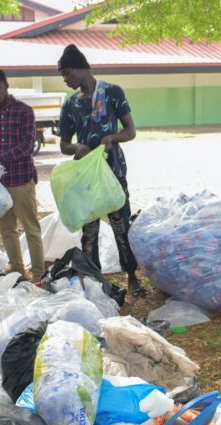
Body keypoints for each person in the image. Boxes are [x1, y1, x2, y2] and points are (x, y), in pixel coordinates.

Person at [57, 44, 145, 296]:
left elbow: (130, 130)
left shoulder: (113, 92)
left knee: (121, 226)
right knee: (89, 231)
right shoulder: (70, 105)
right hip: (86, 176)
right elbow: (63, 144)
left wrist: (113, 138)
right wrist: (75, 147)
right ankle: (94, 282)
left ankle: (132, 276)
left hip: (113, 173)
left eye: (66, 73)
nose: (65, 80)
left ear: (80, 69)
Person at [0, 67, 44, 282]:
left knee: (31, 229)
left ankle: (39, 275)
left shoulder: (24, 111)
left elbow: (27, 147)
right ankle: (17, 271)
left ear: (6, 85)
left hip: (21, 179)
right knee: (7, 230)